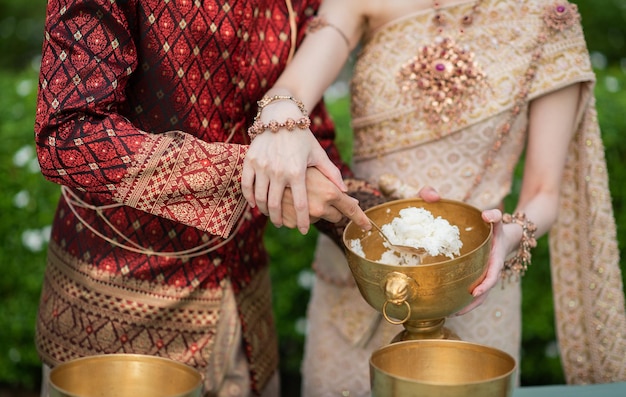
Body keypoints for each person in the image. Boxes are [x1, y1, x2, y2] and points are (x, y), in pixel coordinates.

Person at [252, 0, 626, 395]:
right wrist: (281, 118)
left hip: (474, 289)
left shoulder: (546, 16)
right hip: (359, 283)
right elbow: (291, 89)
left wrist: (508, 237)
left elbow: (543, 193)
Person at [32, 0, 373, 396]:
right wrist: (247, 172)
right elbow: (67, 134)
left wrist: (403, 228)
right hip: (118, 314)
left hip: (244, 308)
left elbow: (305, 143)